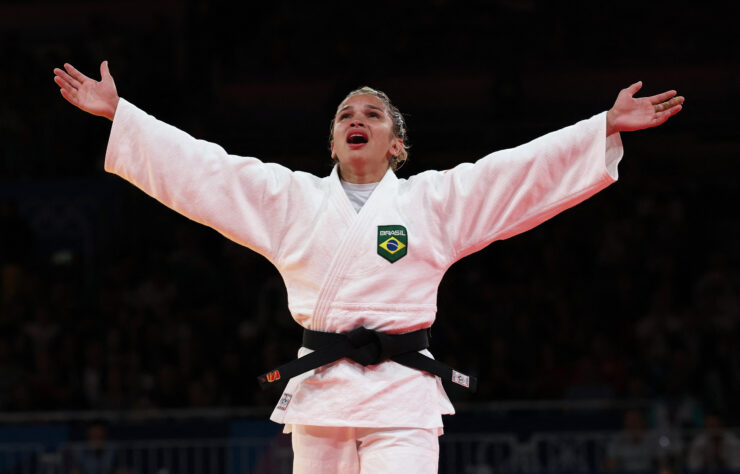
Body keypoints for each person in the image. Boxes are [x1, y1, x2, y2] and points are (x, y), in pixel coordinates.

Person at [53, 61, 683, 474]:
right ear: (332, 143)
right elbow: (207, 170)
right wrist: (122, 116)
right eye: (345, 116)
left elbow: (512, 173)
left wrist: (600, 127)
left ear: (396, 144)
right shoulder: (292, 200)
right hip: (323, 395)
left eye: (372, 115)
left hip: (402, 397)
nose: (357, 119)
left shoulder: (432, 202)